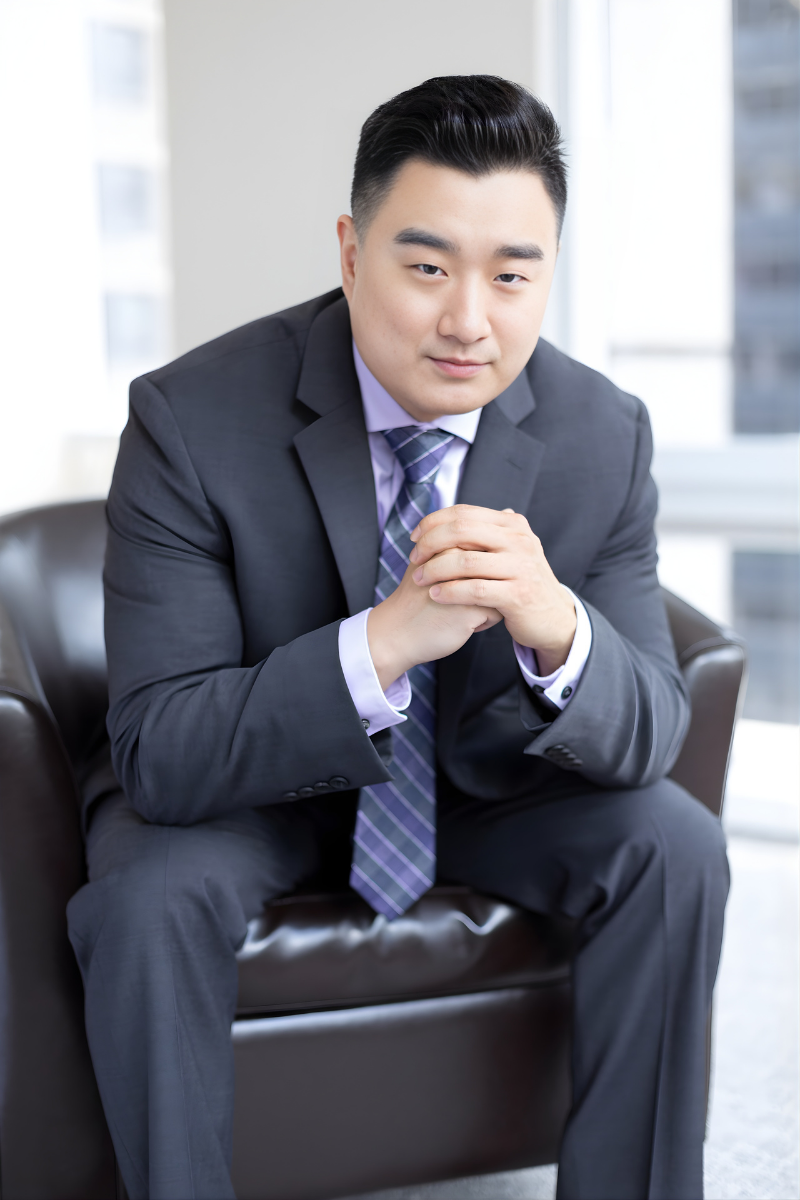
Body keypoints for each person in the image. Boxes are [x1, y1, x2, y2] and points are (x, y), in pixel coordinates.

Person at [67, 75, 729, 1200]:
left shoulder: (598, 433)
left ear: (546, 273)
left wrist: (555, 626)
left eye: (511, 275)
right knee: (145, 893)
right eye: (425, 268)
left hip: (482, 789)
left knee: (674, 843)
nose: (469, 319)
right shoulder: (190, 419)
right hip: (246, 794)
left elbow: (649, 730)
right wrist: (380, 644)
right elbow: (165, 751)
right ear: (349, 249)